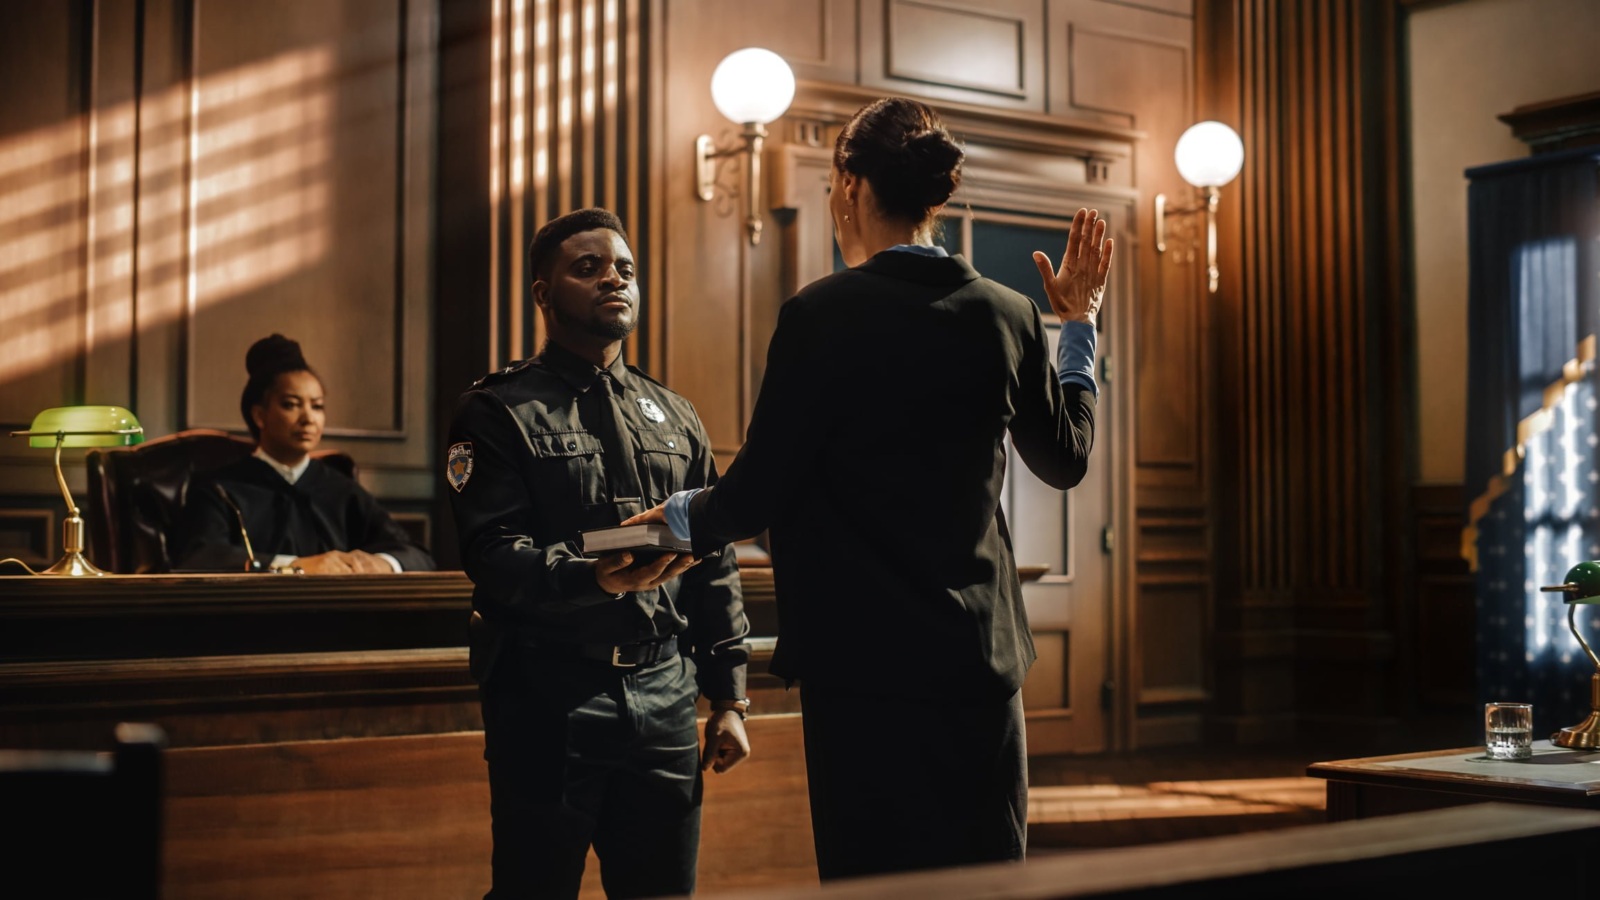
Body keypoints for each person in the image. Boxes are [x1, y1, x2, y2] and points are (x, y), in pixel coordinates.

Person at [627, 97, 1112, 880]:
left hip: (864, 675)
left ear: (848, 184)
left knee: (872, 883)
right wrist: (1079, 326)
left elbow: (754, 495)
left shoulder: (821, 316)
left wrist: (669, 524)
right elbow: (1068, 459)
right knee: (986, 879)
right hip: (978, 668)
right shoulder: (1010, 314)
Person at [447, 208, 751, 900]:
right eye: (588, 267)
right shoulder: (498, 410)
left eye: (625, 269)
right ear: (543, 293)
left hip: (665, 695)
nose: (614, 277)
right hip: (550, 696)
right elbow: (491, 555)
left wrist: (730, 695)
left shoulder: (675, 415)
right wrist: (592, 576)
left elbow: (717, 561)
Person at [173, 334, 435, 574]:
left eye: (317, 406)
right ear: (259, 415)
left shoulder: (341, 489)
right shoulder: (219, 489)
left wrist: (381, 563)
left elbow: (417, 555)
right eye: (291, 405)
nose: (308, 419)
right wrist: (295, 566)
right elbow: (199, 558)